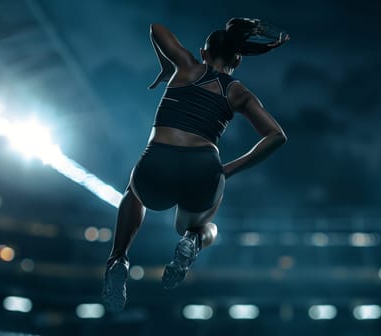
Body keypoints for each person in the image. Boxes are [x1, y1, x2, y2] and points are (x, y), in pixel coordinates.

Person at [101, 18, 289, 312]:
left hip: (158, 160)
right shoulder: (239, 93)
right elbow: (277, 136)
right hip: (203, 168)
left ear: (204, 53)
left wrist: (168, 64)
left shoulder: (187, 66)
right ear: (237, 60)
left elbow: (155, 28)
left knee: (135, 192)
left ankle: (119, 258)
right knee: (198, 226)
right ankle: (193, 240)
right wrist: (228, 169)